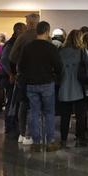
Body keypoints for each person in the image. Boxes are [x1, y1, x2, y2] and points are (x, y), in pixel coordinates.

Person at [19, 21, 63, 152]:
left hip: (31, 84)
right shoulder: (51, 47)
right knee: (49, 113)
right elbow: (59, 66)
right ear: (47, 31)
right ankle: (50, 142)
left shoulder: (28, 47)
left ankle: (36, 142)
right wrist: (55, 77)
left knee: (34, 113)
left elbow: (20, 66)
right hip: (47, 83)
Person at [57, 29, 88, 148]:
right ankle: (80, 139)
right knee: (80, 116)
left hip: (64, 88)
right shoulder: (82, 51)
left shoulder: (60, 51)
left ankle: (63, 139)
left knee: (65, 116)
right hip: (80, 88)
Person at [10, 14, 40, 144]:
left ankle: (22, 133)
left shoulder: (22, 37)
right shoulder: (44, 37)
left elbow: (11, 56)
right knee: (36, 106)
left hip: (23, 76)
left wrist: (20, 64)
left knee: (23, 105)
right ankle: (32, 134)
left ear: (28, 23)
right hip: (39, 77)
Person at [1, 22, 25, 136]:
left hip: (15, 77)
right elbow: (5, 60)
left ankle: (13, 125)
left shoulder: (15, 43)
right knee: (11, 102)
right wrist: (11, 74)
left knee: (15, 102)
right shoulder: (11, 44)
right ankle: (10, 127)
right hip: (11, 78)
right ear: (18, 30)